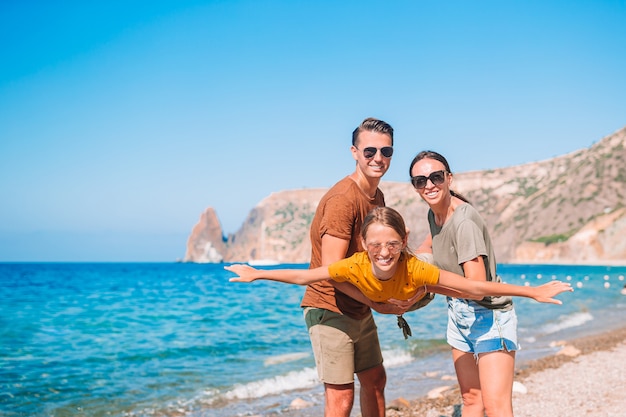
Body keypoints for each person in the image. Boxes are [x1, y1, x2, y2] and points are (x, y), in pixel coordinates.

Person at [280, 117, 395, 417]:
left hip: (358, 306)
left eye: (386, 152)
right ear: (354, 152)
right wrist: (377, 302)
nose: (378, 158)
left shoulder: (376, 197)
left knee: (375, 380)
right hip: (329, 306)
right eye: (369, 151)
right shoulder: (343, 200)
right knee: (341, 397)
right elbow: (330, 272)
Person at [226, 207, 572, 307]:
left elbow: (472, 285)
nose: (384, 252)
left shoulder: (414, 269)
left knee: (466, 288)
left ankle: (431, 240)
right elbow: (306, 275)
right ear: (362, 244)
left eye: (392, 244)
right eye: (375, 245)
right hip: (392, 297)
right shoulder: (355, 264)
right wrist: (258, 273)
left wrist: (533, 292)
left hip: (417, 292)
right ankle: (429, 239)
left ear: (400, 242)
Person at [408, 150, 523, 417]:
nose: (429, 185)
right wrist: (405, 256)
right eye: (420, 181)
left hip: (489, 316)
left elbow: (476, 285)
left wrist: (427, 285)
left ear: (449, 178)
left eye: (436, 177)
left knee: (496, 407)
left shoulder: (464, 221)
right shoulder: (434, 214)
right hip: (459, 314)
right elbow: (431, 244)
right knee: (471, 400)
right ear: (415, 187)